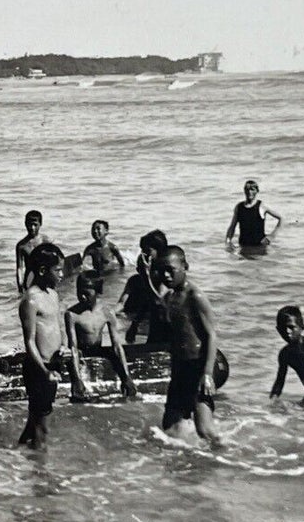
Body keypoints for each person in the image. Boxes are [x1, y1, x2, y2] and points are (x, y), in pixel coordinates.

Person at [155, 246, 222, 445]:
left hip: (201, 365)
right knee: (170, 427)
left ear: (185, 267)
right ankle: (191, 465)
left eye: (171, 270)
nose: (166, 275)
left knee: (205, 430)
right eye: (162, 271)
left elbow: (211, 335)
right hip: (182, 366)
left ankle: (229, 459)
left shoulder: (195, 296)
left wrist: (208, 374)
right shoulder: (170, 297)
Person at [17, 243, 67, 446]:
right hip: (39, 368)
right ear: (43, 270)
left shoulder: (53, 295)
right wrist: (45, 371)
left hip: (53, 365)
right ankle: (41, 472)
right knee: (42, 425)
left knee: (34, 420)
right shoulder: (30, 301)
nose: (62, 275)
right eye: (58, 270)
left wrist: (63, 345)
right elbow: (29, 342)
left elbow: (57, 326)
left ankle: (19, 455)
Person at [65, 272, 138, 401]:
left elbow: (117, 345)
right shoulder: (72, 314)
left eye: (86, 294)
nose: (82, 297)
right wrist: (77, 379)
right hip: (81, 353)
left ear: (97, 292)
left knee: (112, 354)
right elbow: (73, 347)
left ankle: (125, 382)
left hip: (98, 350)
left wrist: (126, 376)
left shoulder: (106, 312)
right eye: (79, 292)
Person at [117, 229, 169, 347]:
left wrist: (146, 276)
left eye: (147, 251)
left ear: (160, 252)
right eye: (142, 250)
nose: (143, 254)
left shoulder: (166, 277)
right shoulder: (136, 280)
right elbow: (125, 303)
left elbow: (158, 302)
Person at [226, 179, 282, 249]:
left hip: (260, 246)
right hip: (243, 246)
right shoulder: (239, 207)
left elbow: (281, 218)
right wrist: (228, 241)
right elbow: (232, 227)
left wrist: (272, 236)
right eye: (247, 189)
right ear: (244, 191)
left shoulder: (262, 206)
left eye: (252, 189)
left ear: (257, 191)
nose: (249, 192)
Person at [15, 210, 48, 291]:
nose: (32, 228)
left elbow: (55, 262)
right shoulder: (21, 246)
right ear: (25, 224)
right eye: (30, 224)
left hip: (45, 279)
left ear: (40, 224)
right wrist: (20, 284)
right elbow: (20, 268)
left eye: (35, 225)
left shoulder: (46, 241)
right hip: (29, 280)